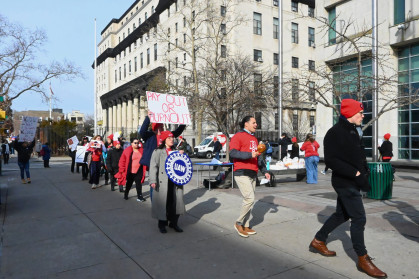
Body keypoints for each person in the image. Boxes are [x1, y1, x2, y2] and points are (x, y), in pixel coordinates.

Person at [309, 99, 387, 278]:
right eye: (360, 112)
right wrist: (355, 173)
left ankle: (318, 240)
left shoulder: (353, 130)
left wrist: (363, 173)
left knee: (342, 214)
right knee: (359, 218)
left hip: (353, 180)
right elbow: (331, 160)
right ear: (350, 113)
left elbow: (357, 155)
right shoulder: (335, 132)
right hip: (345, 181)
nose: (363, 115)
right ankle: (362, 258)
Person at [230, 116, 270, 238]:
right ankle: (238, 223)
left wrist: (265, 171)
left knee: (249, 201)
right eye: (254, 122)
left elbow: (258, 157)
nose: (256, 124)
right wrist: (250, 154)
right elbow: (233, 153)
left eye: (256, 122)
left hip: (253, 172)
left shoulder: (254, 138)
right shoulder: (238, 136)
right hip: (241, 172)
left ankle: (246, 225)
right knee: (249, 199)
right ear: (246, 124)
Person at [139, 114, 186, 199]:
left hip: (166, 163)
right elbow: (142, 131)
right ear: (155, 127)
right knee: (154, 182)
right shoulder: (149, 136)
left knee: (165, 183)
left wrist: (183, 122)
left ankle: (165, 200)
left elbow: (176, 132)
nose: (162, 128)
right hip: (154, 163)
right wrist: (148, 118)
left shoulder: (166, 135)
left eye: (162, 126)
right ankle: (155, 202)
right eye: (160, 126)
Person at [149, 131, 186, 233]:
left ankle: (174, 223)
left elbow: (183, 164)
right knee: (163, 204)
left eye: (172, 138)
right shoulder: (158, 151)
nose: (172, 140)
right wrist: (153, 180)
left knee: (175, 203)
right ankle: (162, 224)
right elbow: (153, 166)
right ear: (164, 140)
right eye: (169, 138)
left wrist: (182, 155)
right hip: (162, 182)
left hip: (175, 182)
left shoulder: (177, 150)